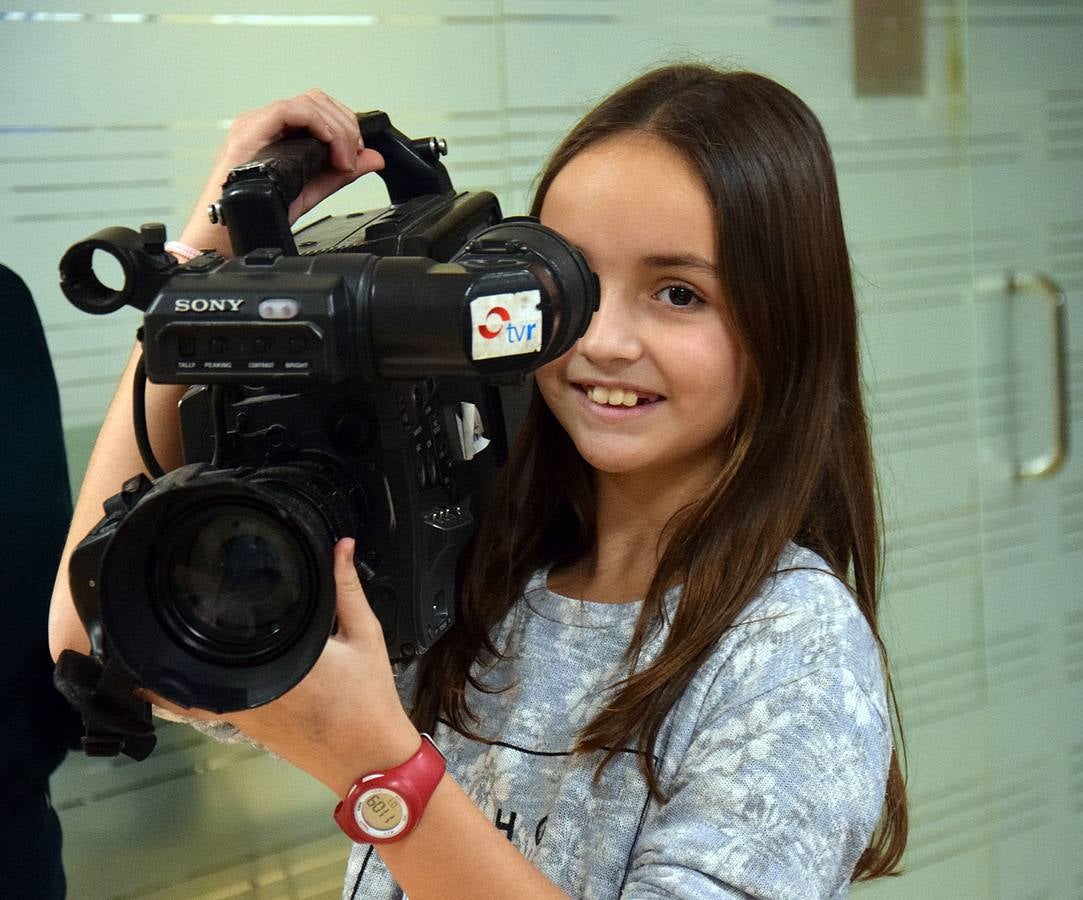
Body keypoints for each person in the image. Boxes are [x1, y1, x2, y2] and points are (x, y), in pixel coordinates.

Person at [50, 64, 908, 898]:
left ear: (783, 323)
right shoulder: (481, 560)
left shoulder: (791, 648)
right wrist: (204, 260)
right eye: (572, 284)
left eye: (678, 293)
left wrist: (382, 772)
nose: (604, 340)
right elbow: (94, 641)